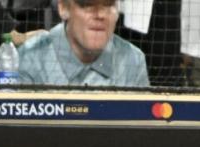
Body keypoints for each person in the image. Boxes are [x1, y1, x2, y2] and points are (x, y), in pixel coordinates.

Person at [16, 0, 150, 87]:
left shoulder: (133, 60)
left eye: (108, 5)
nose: (100, 14)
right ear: (63, 8)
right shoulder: (29, 58)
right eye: (87, 5)